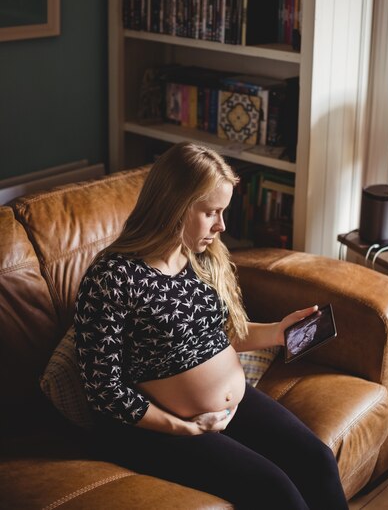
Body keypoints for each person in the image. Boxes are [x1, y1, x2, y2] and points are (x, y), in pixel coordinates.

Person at [74, 141, 349, 510]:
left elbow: (221, 334)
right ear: (174, 206)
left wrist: (279, 331)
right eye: (211, 212)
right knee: (279, 494)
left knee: (317, 460)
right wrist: (183, 427)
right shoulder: (112, 277)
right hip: (155, 427)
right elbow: (101, 388)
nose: (222, 225)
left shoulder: (202, 257)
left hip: (229, 409)